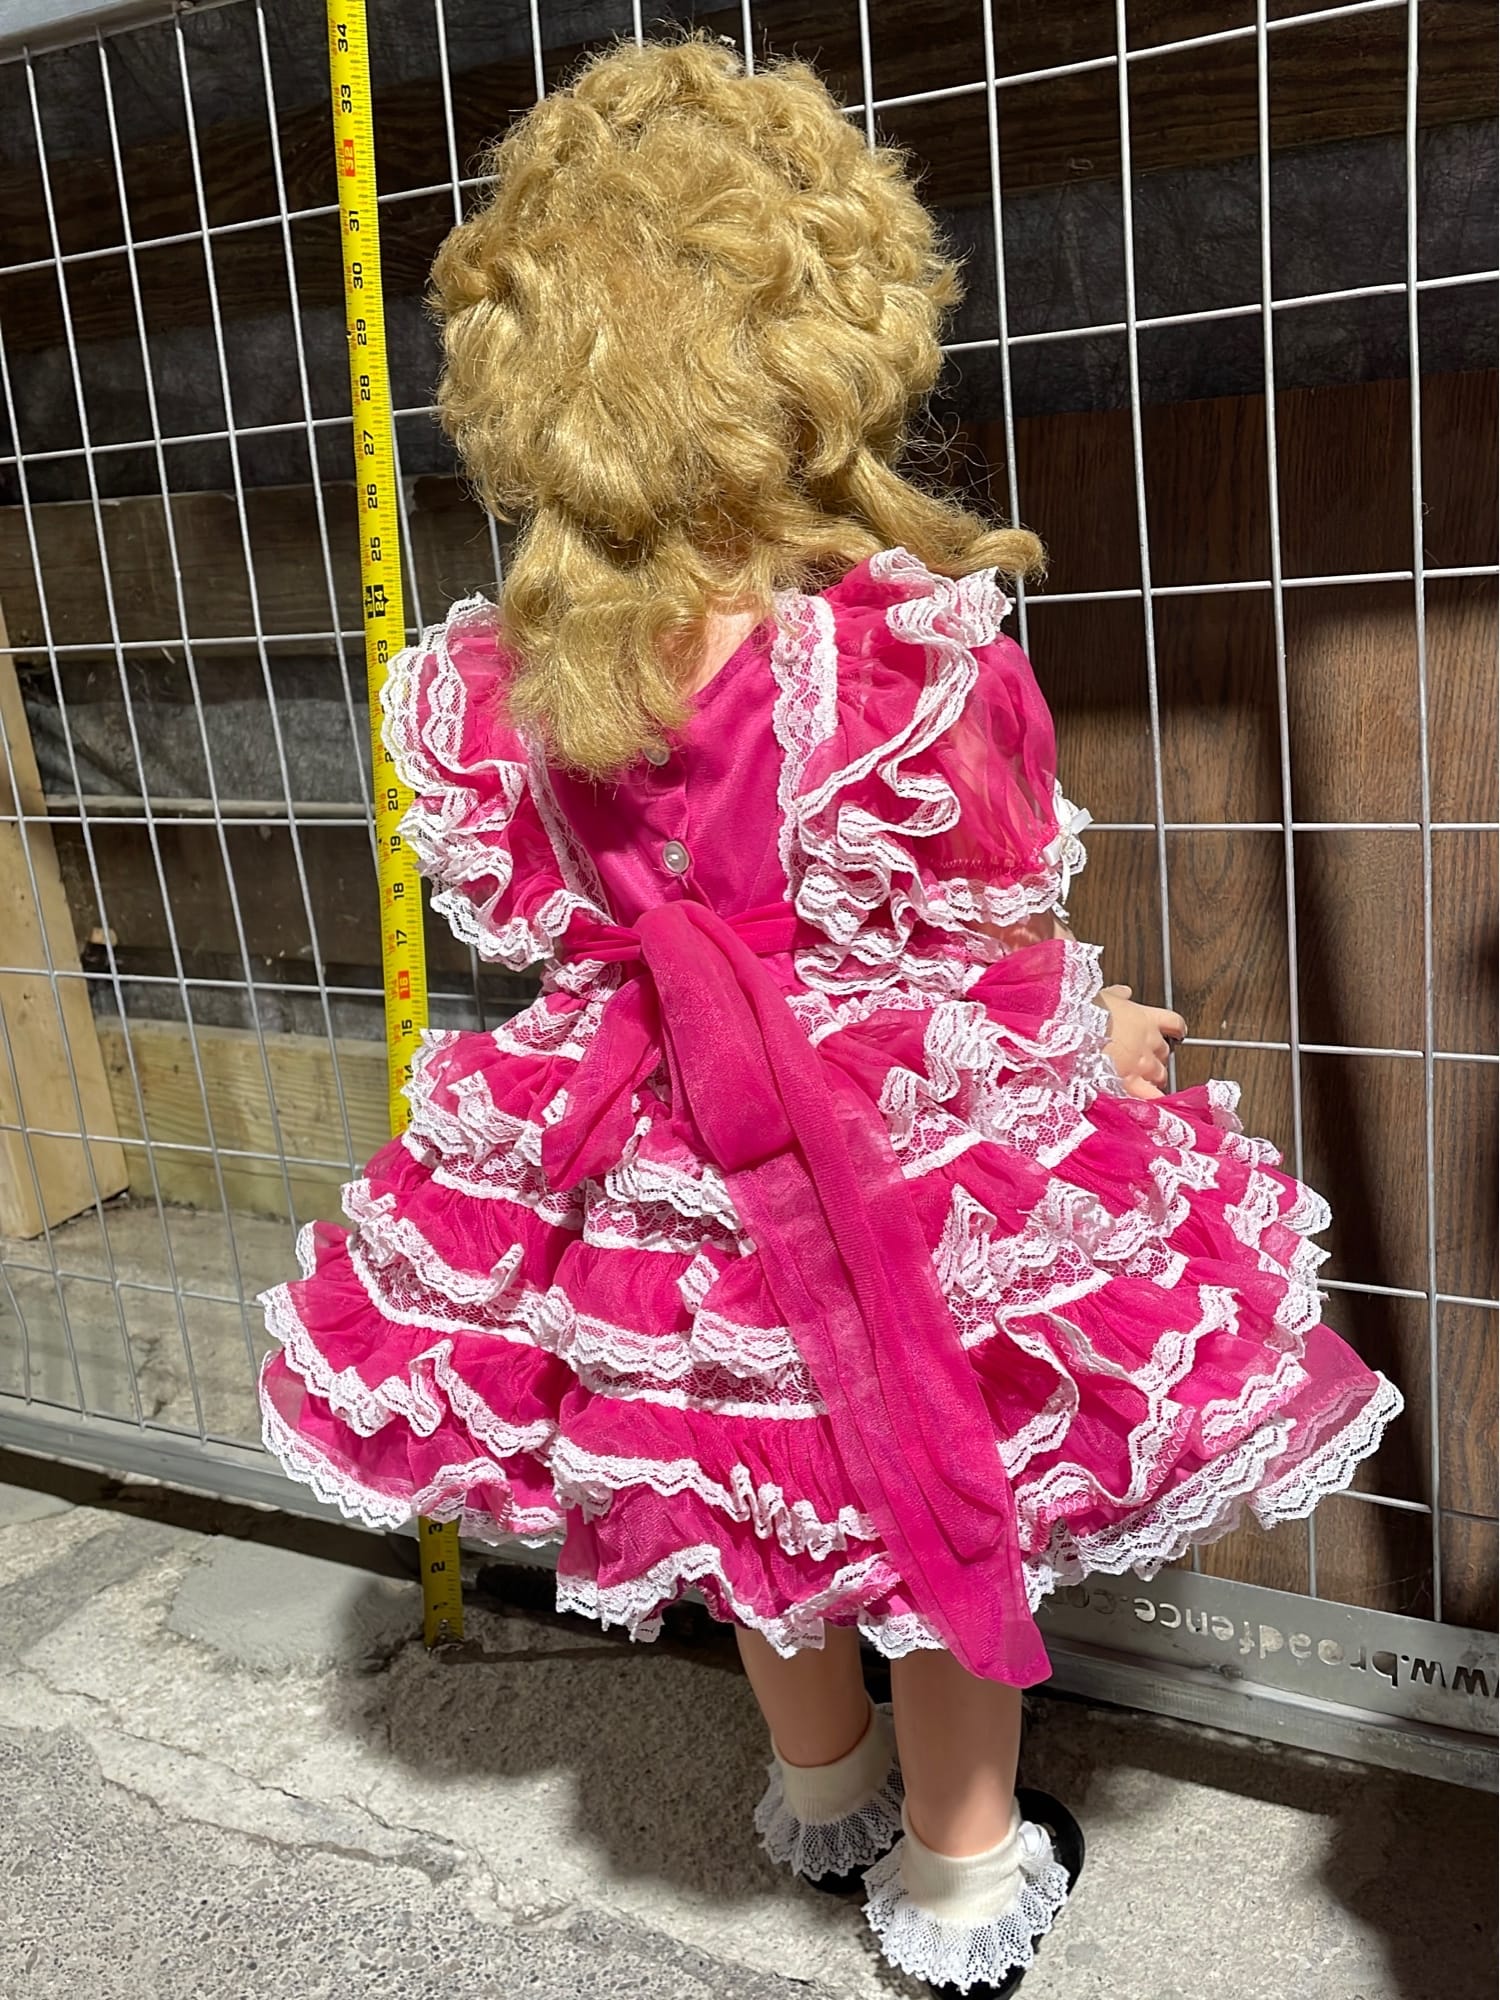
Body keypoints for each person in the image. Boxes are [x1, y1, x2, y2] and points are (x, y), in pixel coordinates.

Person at [257, 33, 1401, 1998]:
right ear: (822, 334)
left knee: (746, 1484)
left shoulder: (502, 683)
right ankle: (959, 1872)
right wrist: (1101, 1040)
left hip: (645, 1157)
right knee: (931, 1480)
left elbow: (558, 929)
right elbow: (980, 947)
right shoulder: (888, 659)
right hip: (895, 1152)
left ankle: (824, 1788)